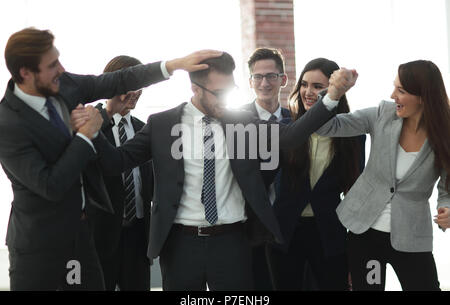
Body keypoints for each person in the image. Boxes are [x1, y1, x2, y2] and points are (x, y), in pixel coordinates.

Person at [71, 52, 357, 290]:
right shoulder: (162, 125)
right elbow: (115, 162)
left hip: (232, 243)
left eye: (229, 91)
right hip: (180, 245)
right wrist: (94, 131)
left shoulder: (242, 123)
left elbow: (291, 137)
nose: (225, 99)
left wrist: (331, 96)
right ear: (195, 88)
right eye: (218, 93)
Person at [0, 26, 221, 290]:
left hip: (81, 238)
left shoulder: (65, 86)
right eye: (52, 64)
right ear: (26, 73)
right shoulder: (8, 124)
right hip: (39, 246)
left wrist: (174, 65)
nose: (61, 69)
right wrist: (85, 135)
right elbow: (50, 185)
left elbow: (119, 79)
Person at [315, 60, 450, 291]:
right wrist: (334, 93)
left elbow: (447, 189)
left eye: (401, 90)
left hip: (411, 236)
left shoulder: (445, 133)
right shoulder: (382, 114)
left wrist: (447, 207)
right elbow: (325, 127)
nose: (393, 95)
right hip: (365, 233)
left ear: (423, 96)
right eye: (394, 87)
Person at [265, 58, 366, 290]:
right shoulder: (285, 129)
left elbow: (355, 191)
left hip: (329, 233)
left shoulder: (353, 135)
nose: (308, 92)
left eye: (318, 87)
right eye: (304, 84)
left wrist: (356, 248)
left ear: (334, 92)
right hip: (285, 232)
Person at [90, 55, 154, 290]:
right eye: (130, 84)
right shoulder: (91, 123)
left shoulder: (144, 129)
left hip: (138, 237)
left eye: (140, 85)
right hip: (99, 236)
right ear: (111, 83)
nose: (136, 92)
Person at [241, 47, 290, 290]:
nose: (264, 83)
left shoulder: (298, 121)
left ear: (283, 79)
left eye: (271, 76)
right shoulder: (236, 122)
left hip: (292, 228)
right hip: (249, 229)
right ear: (250, 82)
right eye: (257, 77)